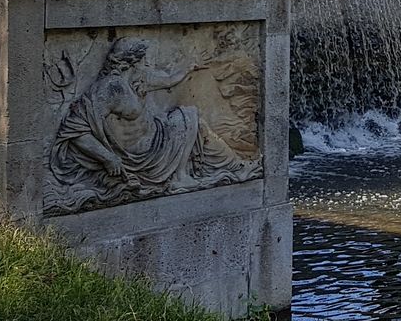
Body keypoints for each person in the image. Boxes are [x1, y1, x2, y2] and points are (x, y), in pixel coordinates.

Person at [48, 37, 255, 211]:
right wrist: (109, 158)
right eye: (142, 59)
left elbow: (168, 80)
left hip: (156, 136)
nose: (145, 63)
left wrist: (189, 67)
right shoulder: (110, 88)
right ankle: (182, 177)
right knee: (188, 117)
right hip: (140, 155)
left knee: (194, 123)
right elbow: (74, 130)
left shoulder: (137, 78)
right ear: (132, 61)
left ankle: (235, 166)